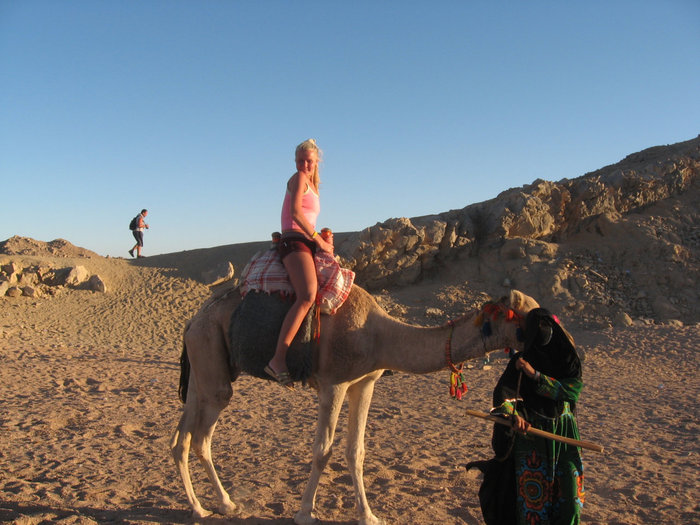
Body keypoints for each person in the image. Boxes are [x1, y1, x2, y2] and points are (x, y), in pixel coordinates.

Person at [478, 307, 585, 524]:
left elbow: (571, 390)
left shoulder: (567, 359)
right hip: (532, 437)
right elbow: (504, 395)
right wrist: (512, 416)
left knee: (571, 502)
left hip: (564, 436)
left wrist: (535, 376)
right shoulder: (520, 360)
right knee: (534, 506)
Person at [264, 139, 332, 387]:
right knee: (307, 295)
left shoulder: (313, 186)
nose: (304, 165)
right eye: (300, 160)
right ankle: (278, 359)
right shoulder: (299, 179)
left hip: (307, 241)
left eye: (309, 161)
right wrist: (318, 241)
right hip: (294, 241)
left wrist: (323, 240)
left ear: (317, 162)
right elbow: (294, 213)